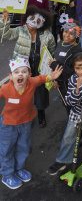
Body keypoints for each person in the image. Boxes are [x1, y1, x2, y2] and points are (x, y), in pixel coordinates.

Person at [0, 57, 62, 190]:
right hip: (8, 125)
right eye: (16, 72)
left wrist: (51, 76)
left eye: (24, 71)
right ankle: (7, 174)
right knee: (7, 150)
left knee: (23, 146)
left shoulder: (31, 82)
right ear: (11, 76)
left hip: (26, 123)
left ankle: (19, 169)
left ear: (29, 75)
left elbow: (41, 79)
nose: (20, 74)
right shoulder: (5, 88)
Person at [0, 6, 56, 127]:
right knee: (24, 91)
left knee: (41, 91)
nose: (34, 22)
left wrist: (50, 65)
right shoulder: (20, 30)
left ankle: (41, 114)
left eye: (38, 20)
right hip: (23, 69)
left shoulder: (48, 36)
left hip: (40, 67)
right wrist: (4, 21)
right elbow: (6, 35)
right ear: (26, 18)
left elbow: (51, 51)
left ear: (43, 22)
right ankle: (26, 115)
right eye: (31, 18)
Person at [50, 21, 82, 100]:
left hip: (69, 85)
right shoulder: (60, 43)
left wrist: (54, 64)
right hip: (59, 81)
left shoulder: (77, 51)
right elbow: (55, 58)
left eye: (71, 34)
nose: (67, 35)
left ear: (76, 35)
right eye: (65, 31)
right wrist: (54, 79)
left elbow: (73, 72)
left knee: (70, 106)